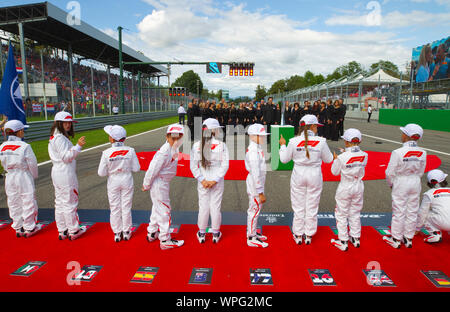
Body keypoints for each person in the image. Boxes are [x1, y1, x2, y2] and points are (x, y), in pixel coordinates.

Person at [279, 115, 333, 245]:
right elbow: (329, 159)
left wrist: (282, 145)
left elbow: (284, 159)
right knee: (312, 205)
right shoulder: (321, 141)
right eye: (316, 126)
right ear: (313, 126)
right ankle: (309, 234)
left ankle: (298, 234)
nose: (317, 129)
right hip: (315, 174)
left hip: (299, 174)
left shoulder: (293, 141)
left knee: (298, 206)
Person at [383, 123, 426, 249]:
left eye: (403, 133)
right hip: (415, 181)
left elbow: (389, 173)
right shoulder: (423, 152)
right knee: (412, 210)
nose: (401, 135)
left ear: (407, 136)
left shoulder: (398, 152)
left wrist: (391, 184)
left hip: (401, 181)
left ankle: (396, 239)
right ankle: (408, 238)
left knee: (399, 211)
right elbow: (421, 171)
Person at [143, 124, 185, 250]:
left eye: (179, 138)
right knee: (165, 210)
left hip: (163, 182)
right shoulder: (164, 152)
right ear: (167, 137)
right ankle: (165, 240)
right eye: (173, 138)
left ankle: (152, 232)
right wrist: (146, 184)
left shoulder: (174, 148)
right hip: (159, 183)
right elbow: (152, 169)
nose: (176, 140)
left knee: (157, 208)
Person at [98, 125, 140, 242]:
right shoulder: (130, 150)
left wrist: (112, 170)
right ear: (124, 138)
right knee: (126, 206)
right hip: (127, 179)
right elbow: (136, 168)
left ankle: (117, 233)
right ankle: (126, 231)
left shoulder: (106, 152)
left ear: (112, 139)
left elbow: (101, 173)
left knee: (114, 207)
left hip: (113, 181)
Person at [48, 112, 87, 240]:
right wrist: (78, 146)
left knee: (60, 202)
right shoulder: (59, 138)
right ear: (58, 123)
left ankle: (63, 229)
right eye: (65, 122)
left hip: (58, 172)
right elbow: (66, 157)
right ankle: (74, 230)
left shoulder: (56, 137)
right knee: (70, 201)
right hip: (65, 172)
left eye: (70, 122)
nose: (68, 125)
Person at [190, 118, 229, 244]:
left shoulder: (196, 145)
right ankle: (216, 233)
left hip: (203, 179)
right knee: (215, 206)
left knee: (203, 206)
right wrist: (215, 180)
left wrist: (202, 180)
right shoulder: (222, 145)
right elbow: (225, 165)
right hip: (216, 179)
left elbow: (193, 166)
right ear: (214, 130)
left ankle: (201, 233)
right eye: (218, 128)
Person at [0, 120, 41, 238]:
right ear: (18, 132)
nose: (23, 132)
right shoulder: (25, 146)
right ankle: (29, 227)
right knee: (28, 200)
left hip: (9, 175)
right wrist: (33, 176)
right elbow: (32, 164)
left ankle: (18, 226)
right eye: (22, 130)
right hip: (23, 175)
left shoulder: (2, 146)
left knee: (13, 201)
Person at [330, 128, 368, 251]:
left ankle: (343, 240)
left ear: (346, 142)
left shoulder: (342, 157)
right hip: (358, 185)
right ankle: (355, 238)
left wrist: (336, 159)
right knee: (355, 212)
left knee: (341, 213)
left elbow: (334, 172)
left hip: (345, 186)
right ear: (360, 141)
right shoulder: (364, 155)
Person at [245, 123, 270, 247]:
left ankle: (253, 232)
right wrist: (260, 192)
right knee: (254, 210)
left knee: (256, 209)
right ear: (253, 136)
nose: (264, 138)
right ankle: (251, 237)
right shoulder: (254, 151)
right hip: (255, 184)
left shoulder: (257, 148)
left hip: (257, 181)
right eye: (261, 136)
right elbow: (255, 172)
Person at [415, 169, 450, 244]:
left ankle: (435, 234)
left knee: (424, 213)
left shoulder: (429, 194)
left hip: (444, 222)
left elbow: (422, 213)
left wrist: (417, 229)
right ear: (444, 180)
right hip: (446, 222)